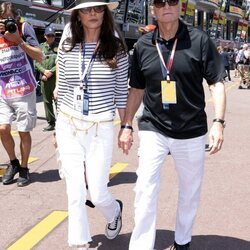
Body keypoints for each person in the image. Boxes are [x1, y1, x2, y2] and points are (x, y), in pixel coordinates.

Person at [118, 0, 226, 249]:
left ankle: (182, 240)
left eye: (172, 1)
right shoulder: (144, 45)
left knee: (189, 191)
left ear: (180, 7)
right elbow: (136, 89)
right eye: (159, 2)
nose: (166, 5)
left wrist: (219, 122)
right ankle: (141, 245)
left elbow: (217, 83)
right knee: (145, 187)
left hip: (191, 130)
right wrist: (126, 125)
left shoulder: (199, 40)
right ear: (153, 10)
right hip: (153, 126)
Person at [55, 0, 128, 248]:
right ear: (77, 15)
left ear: (105, 13)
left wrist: (126, 127)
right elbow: (63, 87)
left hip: (101, 126)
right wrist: (58, 127)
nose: (93, 14)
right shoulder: (67, 45)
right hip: (68, 123)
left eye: (98, 8)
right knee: (75, 191)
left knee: (97, 193)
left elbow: (121, 92)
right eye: (86, 9)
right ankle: (79, 243)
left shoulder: (116, 48)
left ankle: (114, 210)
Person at [0, 2, 43, 187]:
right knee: (2, 128)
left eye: (10, 19)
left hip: (24, 88)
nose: (6, 23)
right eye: (2, 20)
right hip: (3, 89)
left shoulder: (24, 28)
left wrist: (18, 40)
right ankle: (14, 163)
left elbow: (39, 55)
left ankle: (24, 168)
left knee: (24, 131)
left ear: (16, 17)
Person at [35, 26, 58, 131]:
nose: (51, 37)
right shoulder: (40, 47)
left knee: (58, 101)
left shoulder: (58, 47)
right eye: (49, 35)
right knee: (47, 102)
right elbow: (36, 62)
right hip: (45, 79)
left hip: (55, 79)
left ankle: (62, 123)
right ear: (45, 36)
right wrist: (44, 71)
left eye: (53, 35)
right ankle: (51, 123)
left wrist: (51, 72)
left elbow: (60, 61)